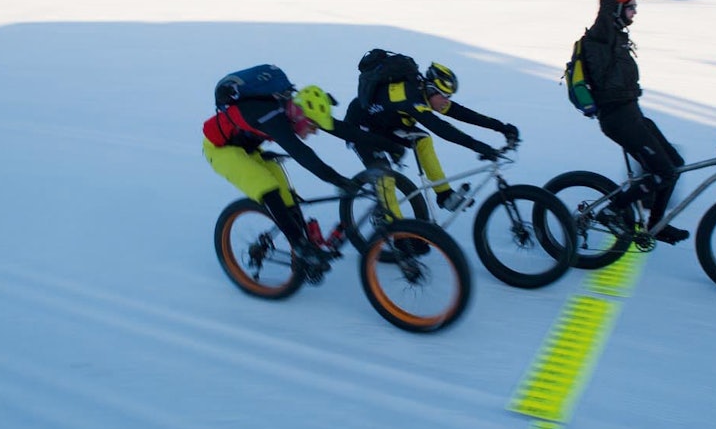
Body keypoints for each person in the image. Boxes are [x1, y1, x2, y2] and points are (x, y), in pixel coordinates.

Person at [203, 77, 402, 277]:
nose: (314, 132)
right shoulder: (273, 118)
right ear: (300, 116)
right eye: (312, 126)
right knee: (268, 188)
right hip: (221, 150)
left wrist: (391, 146)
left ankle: (304, 255)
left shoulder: (299, 111)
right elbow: (303, 154)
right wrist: (337, 179)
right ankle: (301, 248)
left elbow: (347, 131)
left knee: (289, 201)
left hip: (250, 148)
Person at [580, 0, 688, 244]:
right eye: (632, 7)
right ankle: (615, 210)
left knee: (674, 164)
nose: (635, 11)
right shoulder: (603, 31)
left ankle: (656, 224)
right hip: (617, 118)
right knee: (662, 171)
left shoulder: (616, 29)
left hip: (632, 112)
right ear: (616, 8)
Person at [344, 59, 519, 212]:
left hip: (385, 124)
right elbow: (440, 127)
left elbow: (461, 113)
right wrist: (475, 145)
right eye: (444, 96)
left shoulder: (428, 93)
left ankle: (444, 194)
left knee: (423, 140)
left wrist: (501, 127)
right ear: (431, 89)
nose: (447, 101)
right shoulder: (409, 96)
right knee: (385, 178)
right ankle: (399, 236)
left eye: (449, 96)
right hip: (359, 127)